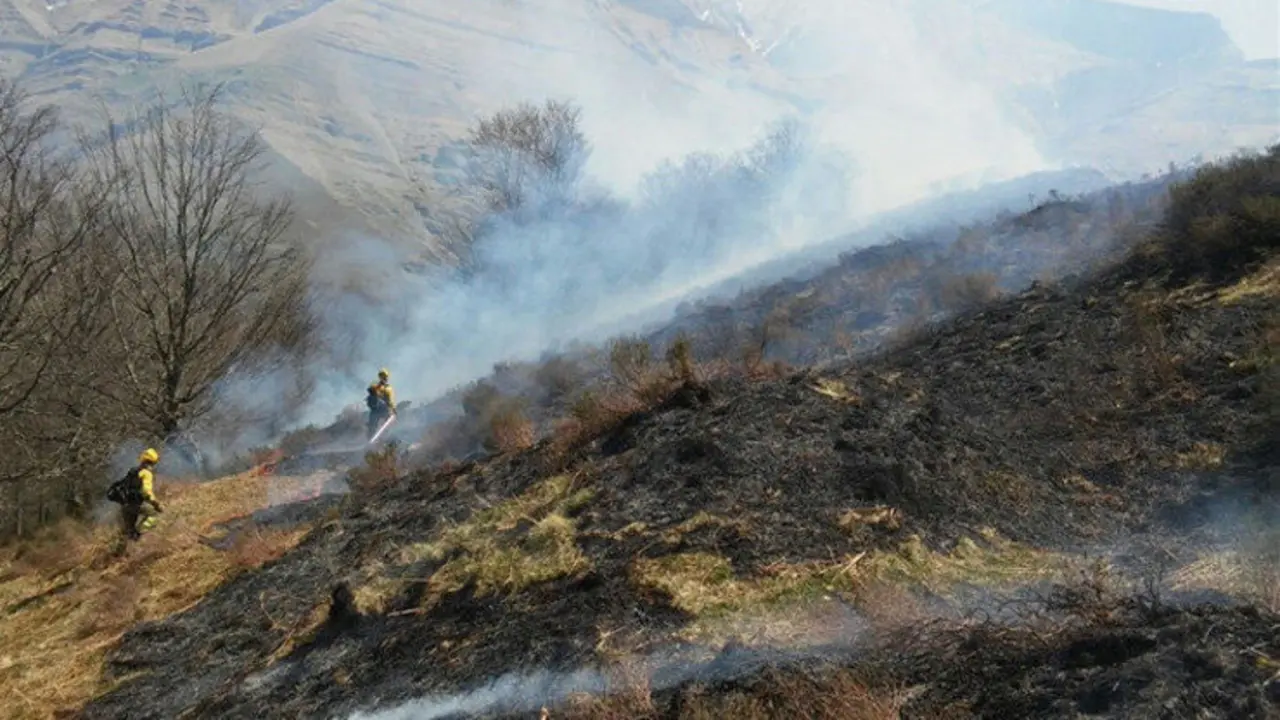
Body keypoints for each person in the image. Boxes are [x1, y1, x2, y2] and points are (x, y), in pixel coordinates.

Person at [114, 448, 163, 542]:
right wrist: (156, 504)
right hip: (136, 504)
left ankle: (117, 553)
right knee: (154, 516)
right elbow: (147, 491)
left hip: (125, 505)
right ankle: (137, 533)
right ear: (153, 462)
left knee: (126, 531)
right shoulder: (147, 473)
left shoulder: (133, 471)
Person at [366, 368, 397, 440]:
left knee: (385, 424)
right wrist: (393, 409)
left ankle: (385, 437)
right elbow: (370, 390)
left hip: (382, 409)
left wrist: (393, 409)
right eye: (382, 376)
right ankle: (371, 438)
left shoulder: (387, 388)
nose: (383, 378)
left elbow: (390, 401)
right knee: (372, 426)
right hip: (377, 410)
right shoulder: (377, 386)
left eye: (384, 376)